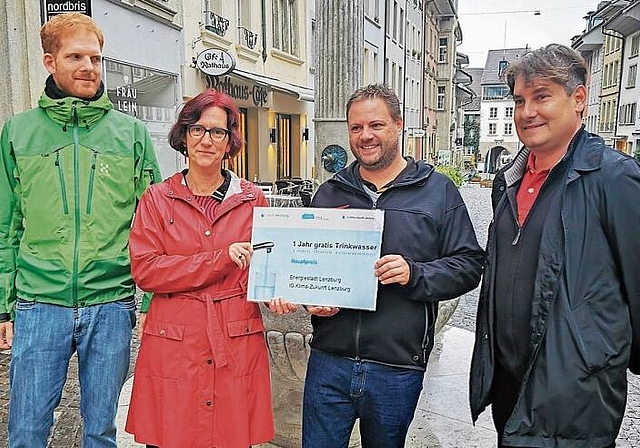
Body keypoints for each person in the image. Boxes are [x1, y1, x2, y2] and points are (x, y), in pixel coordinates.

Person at [0, 12, 161, 448]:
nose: (89, 67)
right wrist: (3, 305)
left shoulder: (131, 134)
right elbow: (6, 223)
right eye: (76, 57)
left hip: (110, 303)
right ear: (50, 61)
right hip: (38, 302)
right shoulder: (18, 131)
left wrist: (146, 299)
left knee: (101, 431)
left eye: (95, 57)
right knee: (27, 431)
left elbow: (153, 225)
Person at [469, 44, 640, 448]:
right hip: (510, 386)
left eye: (542, 96)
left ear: (578, 98)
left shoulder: (614, 178)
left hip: (574, 397)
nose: (527, 112)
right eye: (519, 100)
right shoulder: (507, 181)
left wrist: (599, 361)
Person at [303, 84, 484, 447]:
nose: (365, 136)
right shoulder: (330, 192)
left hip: (396, 365)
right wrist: (310, 298)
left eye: (376, 125)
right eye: (356, 128)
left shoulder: (437, 191)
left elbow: (469, 264)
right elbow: (311, 264)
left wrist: (415, 273)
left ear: (398, 125)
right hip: (329, 359)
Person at [124, 88, 296, 448]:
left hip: (235, 338)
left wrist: (279, 292)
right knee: (172, 437)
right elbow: (147, 271)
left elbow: (263, 267)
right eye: (198, 129)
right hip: (176, 344)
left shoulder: (252, 199)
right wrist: (219, 258)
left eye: (218, 132)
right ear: (184, 136)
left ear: (229, 141)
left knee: (231, 438)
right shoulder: (156, 199)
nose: (207, 140)